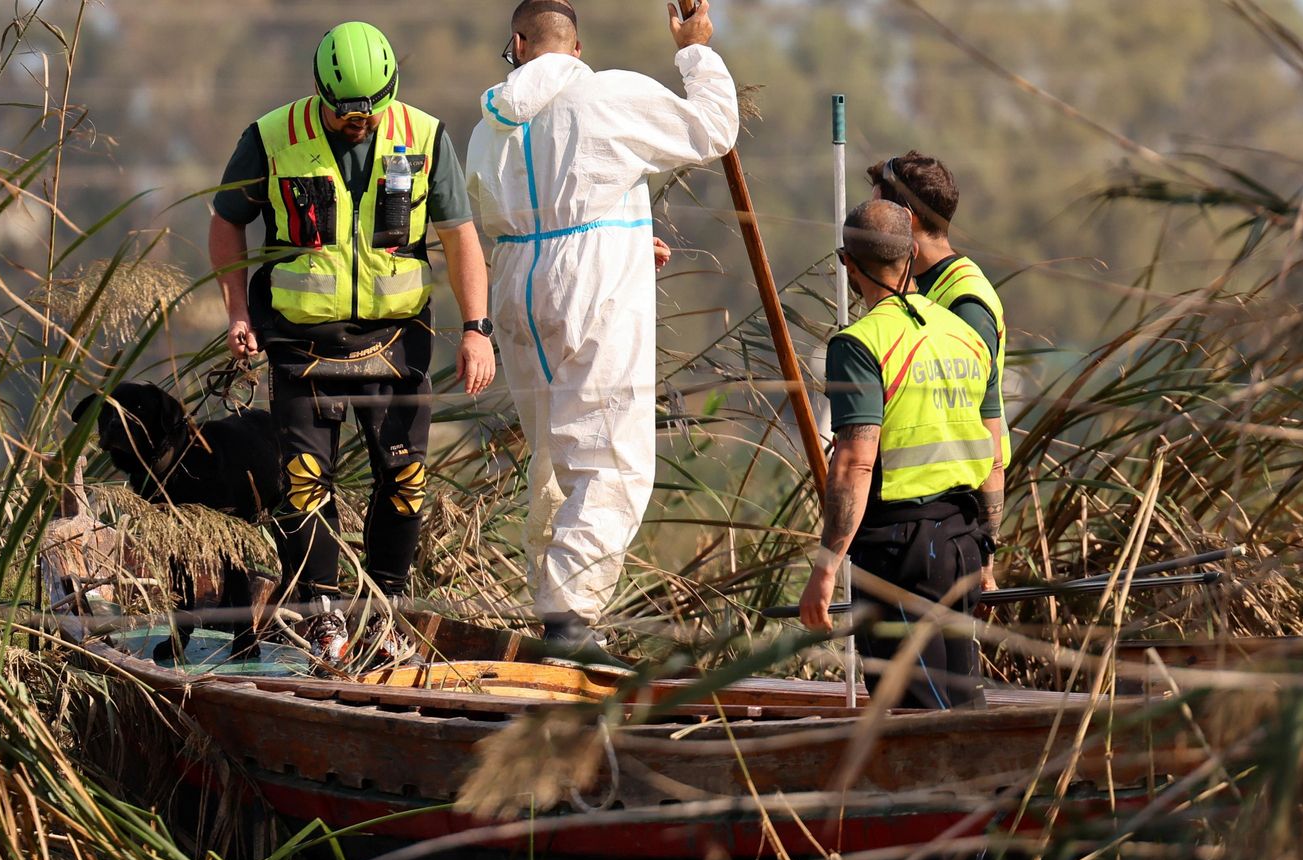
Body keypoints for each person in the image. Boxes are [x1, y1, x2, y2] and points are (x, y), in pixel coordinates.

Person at [465, 0, 739, 650]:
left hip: (516, 282)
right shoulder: (605, 95)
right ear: (577, 48)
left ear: (517, 45)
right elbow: (714, 128)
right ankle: (569, 615)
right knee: (612, 455)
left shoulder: (486, 128)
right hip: (589, 284)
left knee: (553, 453)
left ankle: (552, 606)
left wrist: (625, 239)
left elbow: (521, 214)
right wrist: (695, 48)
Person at [209, 21, 496, 604]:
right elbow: (226, 221)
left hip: (397, 341)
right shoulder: (271, 137)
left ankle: (385, 609)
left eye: (370, 110)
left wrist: (476, 330)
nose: (359, 122)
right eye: (346, 113)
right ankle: (322, 614)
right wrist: (238, 312)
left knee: (406, 481)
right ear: (320, 90)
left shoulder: (425, 136)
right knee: (303, 484)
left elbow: (460, 234)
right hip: (300, 342)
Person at [799, 200, 1003, 710]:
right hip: (963, 543)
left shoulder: (859, 344)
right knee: (963, 708)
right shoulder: (966, 335)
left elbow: (855, 462)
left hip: (900, 552)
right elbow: (993, 455)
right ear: (912, 253)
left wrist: (826, 569)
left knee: (916, 719)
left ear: (848, 262)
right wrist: (987, 554)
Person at [867, 151, 1009, 588]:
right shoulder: (913, 284)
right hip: (904, 517)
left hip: (947, 522)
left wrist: (986, 555)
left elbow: (983, 426)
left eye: (878, 213)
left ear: (906, 219)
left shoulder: (965, 301)